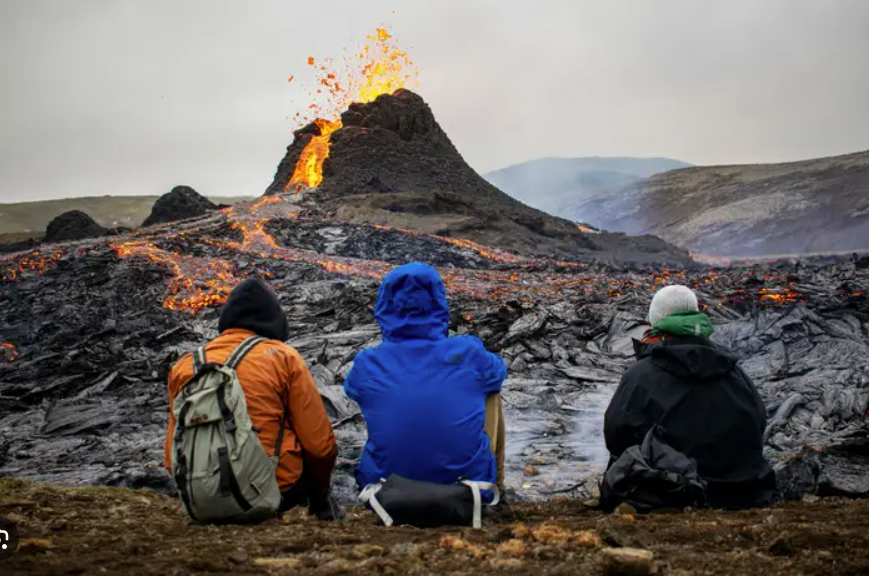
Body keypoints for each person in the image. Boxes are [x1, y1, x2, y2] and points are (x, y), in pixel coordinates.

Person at [163, 278, 343, 520]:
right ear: (276, 322)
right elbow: (320, 447)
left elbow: (170, 455)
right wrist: (320, 495)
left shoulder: (185, 366)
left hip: (200, 495)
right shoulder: (282, 357)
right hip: (274, 492)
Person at [603, 284, 776, 509]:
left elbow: (616, 436)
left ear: (655, 321)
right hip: (743, 491)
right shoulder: (733, 370)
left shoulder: (641, 375)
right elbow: (758, 421)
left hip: (674, 492)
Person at [344, 263, 508, 497]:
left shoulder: (367, 363)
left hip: (384, 491)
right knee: (491, 391)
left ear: (385, 306)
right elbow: (499, 371)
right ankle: (497, 486)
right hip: (466, 492)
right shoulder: (468, 352)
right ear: (439, 302)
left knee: (382, 401)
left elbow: (353, 389)